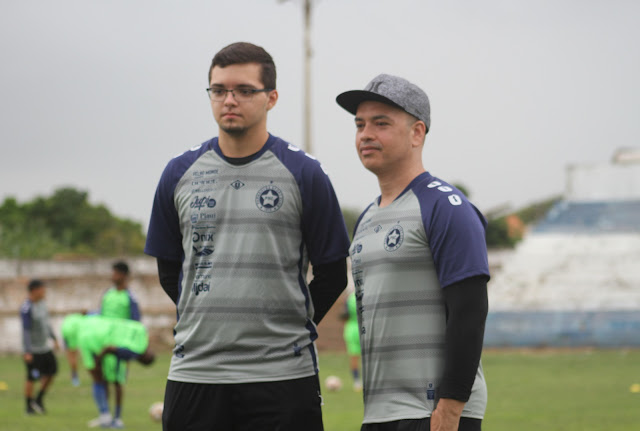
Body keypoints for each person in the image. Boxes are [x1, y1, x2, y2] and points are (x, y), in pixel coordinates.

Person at [145, 41, 350, 431]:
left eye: (243, 90)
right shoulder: (178, 173)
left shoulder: (305, 173)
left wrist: (287, 328)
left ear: (271, 98)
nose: (229, 100)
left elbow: (333, 274)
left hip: (283, 375)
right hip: (196, 372)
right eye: (219, 90)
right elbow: (170, 271)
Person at [336, 74, 490, 431]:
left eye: (381, 123)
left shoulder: (445, 206)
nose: (366, 134)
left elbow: (470, 311)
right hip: (379, 413)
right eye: (360, 124)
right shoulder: (366, 219)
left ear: (417, 133)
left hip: (434, 412)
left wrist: (450, 409)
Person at [76, 315, 155, 428]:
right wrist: (98, 360)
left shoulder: (142, 330)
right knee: (102, 378)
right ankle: (110, 417)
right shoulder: (134, 352)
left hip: (97, 323)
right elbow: (109, 348)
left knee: (104, 379)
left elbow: (125, 322)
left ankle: (105, 415)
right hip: (93, 338)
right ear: (140, 360)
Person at [20, 279, 59, 415]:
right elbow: (26, 331)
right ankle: (28, 407)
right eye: (42, 289)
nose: (44, 292)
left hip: (44, 347)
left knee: (52, 372)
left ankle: (38, 399)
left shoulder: (42, 304)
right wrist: (27, 351)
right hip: (33, 350)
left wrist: (53, 338)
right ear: (34, 290)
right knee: (32, 377)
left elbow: (46, 323)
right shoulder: (27, 308)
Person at [341, 291, 362, 391]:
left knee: (354, 357)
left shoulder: (350, 298)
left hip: (351, 329)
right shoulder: (367, 295)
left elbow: (344, 315)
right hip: (365, 328)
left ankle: (357, 382)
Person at [61, 312, 85, 386]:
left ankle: (74, 375)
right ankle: (75, 376)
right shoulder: (82, 320)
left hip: (66, 334)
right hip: (70, 335)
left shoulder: (74, 318)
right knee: (73, 358)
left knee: (72, 358)